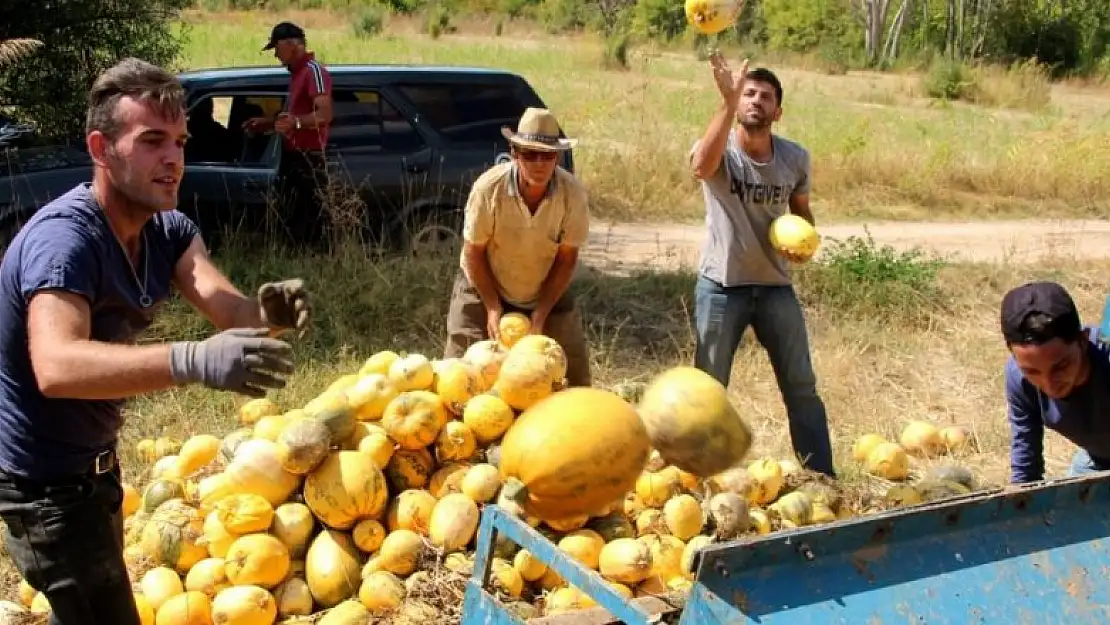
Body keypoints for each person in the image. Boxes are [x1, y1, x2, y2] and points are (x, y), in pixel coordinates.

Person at [0, 57, 312, 625]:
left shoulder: (165, 229)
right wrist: (191, 360)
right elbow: (56, 364)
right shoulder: (64, 241)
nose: (172, 159)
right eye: (151, 142)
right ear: (101, 148)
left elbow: (229, 310)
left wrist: (267, 312)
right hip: (42, 485)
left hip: (94, 468)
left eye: (179, 141)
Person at [687, 52, 835, 478]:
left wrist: (805, 242)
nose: (755, 101)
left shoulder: (795, 158)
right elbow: (701, 167)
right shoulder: (722, 149)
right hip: (722, 287)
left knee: (802, 386)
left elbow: (802, 213)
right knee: (709, 391)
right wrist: (726, 101)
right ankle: (698, 478)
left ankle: (822, 478)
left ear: (778, 111)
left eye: (764, 96)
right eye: (748, 93)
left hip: (774, 287)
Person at [443, 107, 592, 387]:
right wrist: (492, 307)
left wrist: (540, 314)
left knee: (572, 378)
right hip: (483, 282)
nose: (539, 163)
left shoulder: (572, 194)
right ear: (514, 153)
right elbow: (473, 253)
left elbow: (567, 258)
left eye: (547, 155)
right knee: (459, 377)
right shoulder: (489, 189)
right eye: (529, 154)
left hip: (543, 284)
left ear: (556, 157)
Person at [1002, 280, 1110, 484]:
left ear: (1083, 341)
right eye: (1032, 371)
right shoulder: (1019, 379)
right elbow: (1026, 467)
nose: (1049, 384)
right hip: (1098, 460)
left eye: (1060, 367)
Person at [244, 21, 334, 246]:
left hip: (309, 158)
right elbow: (290, 118)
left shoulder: (314, 71)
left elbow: (324, 115)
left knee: (310, 224)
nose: (275, 54)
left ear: (292, 44)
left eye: (276, 48)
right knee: (294, 222)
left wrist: (296, 123)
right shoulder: (296, 75)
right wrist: (268, 123)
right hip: (293, 156)